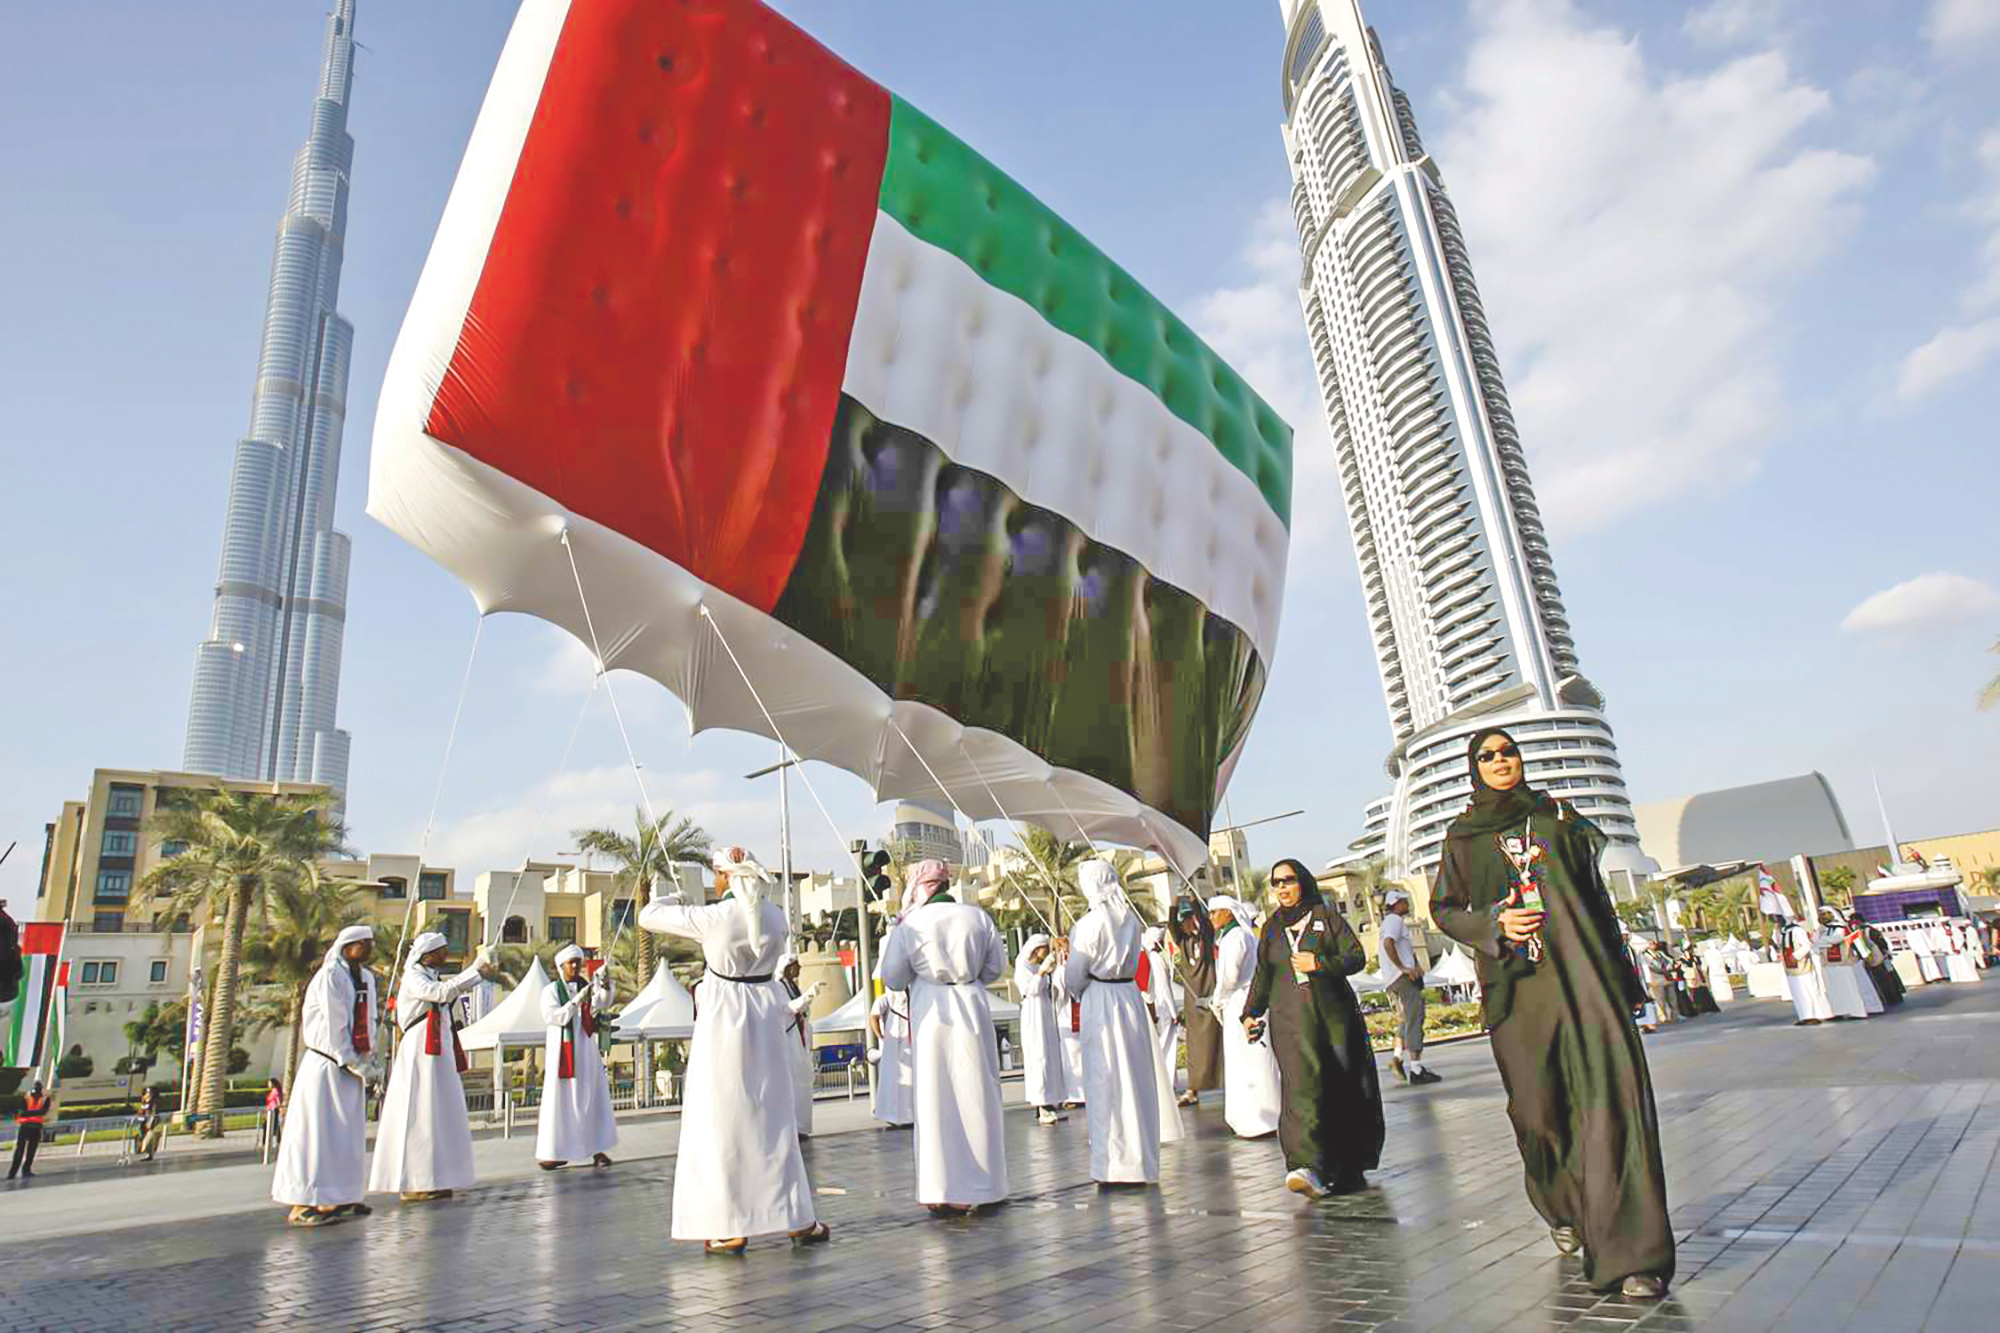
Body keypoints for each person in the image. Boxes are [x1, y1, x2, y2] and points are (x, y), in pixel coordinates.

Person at [1432, 728, 1673, 1300]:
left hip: (1586, 982)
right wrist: (1492, 924)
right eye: (1487, 755)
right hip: (1518, 993)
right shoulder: (1464, 836)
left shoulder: (1559, 818)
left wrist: (1627, 983)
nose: (1500, 761)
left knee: (1611, 1109)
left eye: (1508, 751)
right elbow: (1444, 908)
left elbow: (1596, 899)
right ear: (1474, 767)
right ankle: (1561, 1203)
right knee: (1538, 1115)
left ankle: (1634, 1256)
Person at [640, 847, 827, 1253]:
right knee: (775, 1115)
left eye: (717, 873)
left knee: (721, 1116)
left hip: (725, 1016)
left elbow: (647, 916)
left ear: (726, 876)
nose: (715, 879)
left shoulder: (714, 917)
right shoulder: (776, 916)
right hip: (765, 1010)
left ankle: (729, 1224)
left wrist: (675, 898)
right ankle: (797, 1218)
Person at [1241, 859, 1383, 1198]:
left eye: (1289, 880)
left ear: (1302, 882)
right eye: (1276, 883)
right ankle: (1305, 1165)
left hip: (1335, 1019)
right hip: (1291, 1021)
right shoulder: (1272, 928)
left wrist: (1319, 963)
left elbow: (1355, 957)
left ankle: (1347, 1163)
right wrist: (1251, 1013)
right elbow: (1263, 974)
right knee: (1301, 1086)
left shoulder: (1326, 918)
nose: (1282, 888)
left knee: (1342, 1086)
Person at [879, 858, 1009, 1215]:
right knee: (977, 1093)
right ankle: (985, 1184)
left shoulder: (911, 924)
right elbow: (996, 968)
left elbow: (892, 977)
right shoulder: (978, 916)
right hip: (972, 1003)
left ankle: (942, 1187)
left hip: (932, 1011)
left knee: (936, 1098)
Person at [1063, 860, 1167, 1185]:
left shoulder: (1088, 924)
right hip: (1128, 998)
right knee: (1135, 1079)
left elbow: (1074, 974)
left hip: (1101, 999)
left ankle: (1113, 1166)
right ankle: (1141, 1162)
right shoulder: (1132, 922)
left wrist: (1079, 992)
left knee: (1105, 1078)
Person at [370, 932, 493, 1202]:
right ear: (428, 954)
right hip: (420, 1048)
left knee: (437, 1111)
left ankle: (434, 1176)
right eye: (441, 950)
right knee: (419, 1109)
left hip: (438, 1047)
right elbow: (440, 994)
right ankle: (413, 1181)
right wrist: (475, 969)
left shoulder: (430, 976)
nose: (445, 955)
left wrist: (477, 970)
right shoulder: (415, 977)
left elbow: (448, 993)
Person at [272, 924, 380, 1226]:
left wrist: (369, 1058)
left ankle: (341, 1196)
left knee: (345, 1136)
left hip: (350, 1068)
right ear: (347, 946)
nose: (369, 949)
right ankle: (302, 1202)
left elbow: (367, 1020)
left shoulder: (366, 978)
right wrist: (348, 1059)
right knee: (315, 1134)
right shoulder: (331, 975)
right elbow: (336, 1023)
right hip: (326, 1063)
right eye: (363, 943)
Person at [536, 943, 617, 1171]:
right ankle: (556, 1151)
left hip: (585, 1050)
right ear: (561, 966)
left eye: (578, 963)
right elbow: (554, 1017)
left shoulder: (585, 987)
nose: (575, 967)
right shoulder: (551, 991)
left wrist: (604, 984)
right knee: (561, 1102)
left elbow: (602, 1003)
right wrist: (575, 1002)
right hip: (563, 1053)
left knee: (590, 1098)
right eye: (571, 963)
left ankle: (596, 1147)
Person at [1208, 895, 1280, 1138]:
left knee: (1246, 1059)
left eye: (1215, 912)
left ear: (1228, 912)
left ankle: (1257, 1118)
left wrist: (1216, 1000)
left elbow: (1229, 977)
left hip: (1239, 1001)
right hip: (1249, 999)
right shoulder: (1243, 936)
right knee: (1255, 1058)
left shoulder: (1234, 937)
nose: (1212, 918)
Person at [1380, 888, 1440, 1085]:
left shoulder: (1388, 922)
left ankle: (1397, 1058)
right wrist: (1404, 968)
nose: (1408, 904)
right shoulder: (1394, 921)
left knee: (1407, 1019)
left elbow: (1395, 946)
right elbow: (1389, 943)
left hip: (1394, 979)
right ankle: (1416, 1068)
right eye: (1404, 901)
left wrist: (1412, 965)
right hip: (1402, 978)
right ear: (1396, 903)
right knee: (1415, 1018)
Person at [1168, 898, 1222, 1107]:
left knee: (1217, 1043)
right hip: (1193, 1002)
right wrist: (1173, 906)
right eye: (1185, 920)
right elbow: (1172, 926)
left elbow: (1207, 925)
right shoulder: (1183, 943)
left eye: (1191, 919)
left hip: (1210, 997)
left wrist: (1195, 904)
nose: (1188, 923)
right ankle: (1192, 1089)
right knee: (1194, 1047)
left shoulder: (1205, 940)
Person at [1013, 934, 1070, 1125]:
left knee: (1051, 1056)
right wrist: (1041, 974)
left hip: (1045, 1013)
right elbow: (1030, 990)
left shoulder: (1037, 967)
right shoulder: (1023, 967)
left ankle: (1051, 1101)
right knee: (1039, 1056)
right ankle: (1041, 1104)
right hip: (1033, 1015)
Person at [778, 954, 824, 1139]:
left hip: (800, 1037)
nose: (800, 969)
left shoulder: (792, 986)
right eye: (797, 965)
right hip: (789, 1038)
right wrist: (808, 996)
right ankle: (793, 1127)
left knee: (803, 1083)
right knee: (793, 1084)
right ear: (788, 968)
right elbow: (788, 1008)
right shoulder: (779, 987)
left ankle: (802, 1126)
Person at [869, 985, 916, 1128]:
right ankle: (894, 1113)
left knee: (911, 1075)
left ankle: (910, 1113)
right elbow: (873, 1016)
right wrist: (880, 1036)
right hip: (896, 1031)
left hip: (910, 1026)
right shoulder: (884, 998)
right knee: (896, 1075)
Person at [1853, 914, 1905, 1007]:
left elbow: (1881, 943)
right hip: (1876, 957)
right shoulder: (1865, 930)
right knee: (1885, 977)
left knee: (1885, 978)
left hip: (1878, 957)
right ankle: (1891, 997)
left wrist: (1885, 953)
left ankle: (1892, 997)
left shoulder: (1868, 930)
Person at [9, 1081, 50, 1180]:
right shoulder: (28, 1098)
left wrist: (29, 1113)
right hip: (29, 1126)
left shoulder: (43, 1099)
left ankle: (22, 1170)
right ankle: (16, 1171)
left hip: (31, 1126)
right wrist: (35, 1113)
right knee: (22, 1150)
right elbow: (25, 1112)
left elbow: (42, 1112)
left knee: (28, 1150)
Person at [134, 1086, 165, 1161]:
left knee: (150, 1139)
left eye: (147, 1093)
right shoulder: (145, 1103)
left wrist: (150, 1124)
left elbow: (154, 1114)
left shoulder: (154, 1103)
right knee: (140, 1137)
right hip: (144, 1123)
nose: (145, 1095)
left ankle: (148, 1154)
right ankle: (140, 1151)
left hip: (152, 1124)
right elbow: (142, 1112)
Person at [261, 1078, 286, 1150]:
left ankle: (272, 1142)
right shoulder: (272, 1091)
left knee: (272, 1126)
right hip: (270, 1110)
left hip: (273, 1110)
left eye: (269, 1083)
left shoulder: (275, 1091)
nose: (268, 1085)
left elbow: (278, 1101)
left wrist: (280, 1108)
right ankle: (269, 1142)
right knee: (269, 1126)